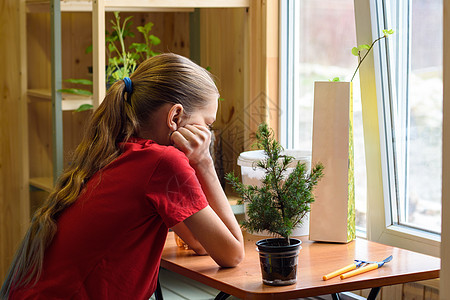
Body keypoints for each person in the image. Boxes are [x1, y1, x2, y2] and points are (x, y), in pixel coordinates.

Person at [0, 53, 245, 299]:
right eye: (207, 124)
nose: (208, 135)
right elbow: (232, 253)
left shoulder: (117, 150)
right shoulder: (163, 163)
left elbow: (200, 242)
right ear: (175, 117)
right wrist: (204, 161)